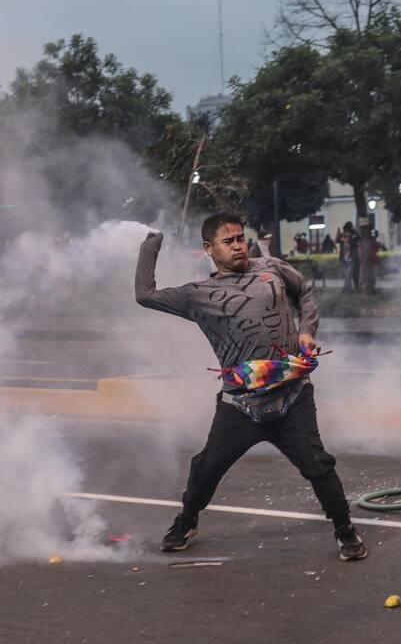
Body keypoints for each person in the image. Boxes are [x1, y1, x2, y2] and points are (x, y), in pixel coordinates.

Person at [135, 213, 367, 561]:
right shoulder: (197, 295)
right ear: (209, 249)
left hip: (292, 398)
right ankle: (186, 521)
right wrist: (151, 242)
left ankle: (344, 529)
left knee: (319, 465)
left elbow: (304, 291)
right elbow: (145, 294)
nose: (239, 245)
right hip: (240, 406)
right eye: (228, 241)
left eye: (241, 238)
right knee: (205, 469)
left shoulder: (270, 268)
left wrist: (307, 331)